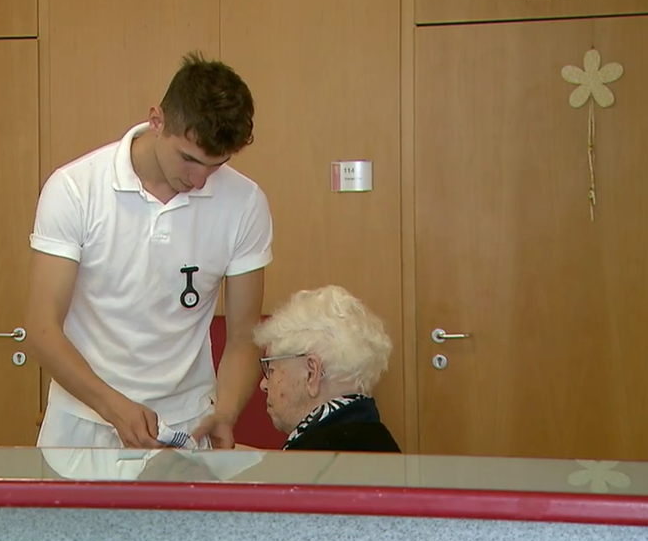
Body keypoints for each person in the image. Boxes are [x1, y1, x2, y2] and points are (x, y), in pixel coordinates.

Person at [25, 51, 273, 450]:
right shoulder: (74, 189)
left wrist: (226, 412)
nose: (199, 179)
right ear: (157, 120)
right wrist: (113, 407)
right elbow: (41, 329)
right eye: (188, 159)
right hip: (82, 424)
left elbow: (244, 335)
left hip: (187, 425)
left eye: (215, 165)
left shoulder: (245, 202)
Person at [254, 285, 401, 452]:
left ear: (311, 373)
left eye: (271, 369)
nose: (263, 384)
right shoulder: (380, 441)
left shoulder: (311, 457)